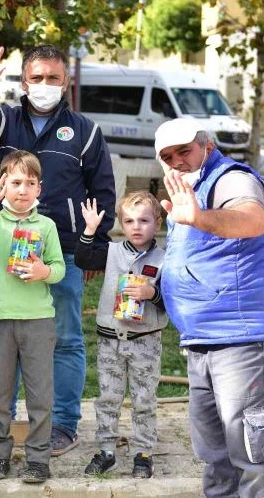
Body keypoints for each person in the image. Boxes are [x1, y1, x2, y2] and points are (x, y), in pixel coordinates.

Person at [0, 40, 116, 455]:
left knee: (64, 339)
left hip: (60, 251)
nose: (44, 85)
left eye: (53, 78)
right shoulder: (4, 123)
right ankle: (4, 422)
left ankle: (64, 424)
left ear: (66, 82)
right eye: (36, 78)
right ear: (23, 81)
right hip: (6, 248)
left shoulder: (85, 132)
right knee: (7, 337)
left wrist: (93, 247)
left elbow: (102, 191)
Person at [154, 117, 264, 497]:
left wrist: (199, 217)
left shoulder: (232, 178)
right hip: (203, 341)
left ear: (207, 145)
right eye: (168, 157)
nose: (177, 161)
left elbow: (252, 220)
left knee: (256, 456)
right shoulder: (191, 189)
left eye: (184, 151)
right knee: (216, 458)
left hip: (246, 339)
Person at [0, 151, 65, 484]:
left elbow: (60, 269)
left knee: (40, 395)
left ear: (40, 188)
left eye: (29, 183)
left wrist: (43, 270)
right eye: (15, 182)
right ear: (4, 186)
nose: (22, 190)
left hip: (38, 320)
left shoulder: (46, 225)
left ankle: (38, 458)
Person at [75, 192, 167, 479]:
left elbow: (174, 299)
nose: (136, 227)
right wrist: (89, 230)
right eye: (129, 221)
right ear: (121, 224)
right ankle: (106, 450)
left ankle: (143, 452)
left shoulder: (165, 260)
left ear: (157, 223)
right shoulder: (111, 251)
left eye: (144, 220)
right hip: (110, 340)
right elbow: (83, 258)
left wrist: (152, 293)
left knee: (144, 399)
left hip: (146, 341)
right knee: (108, 397)